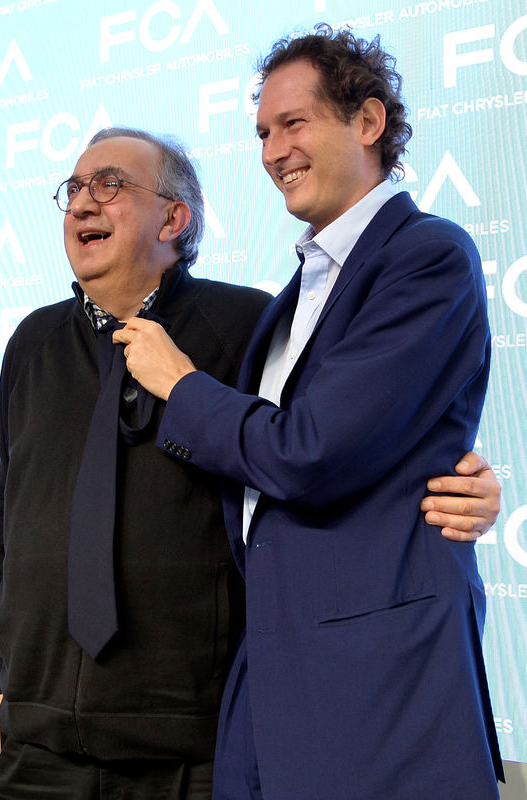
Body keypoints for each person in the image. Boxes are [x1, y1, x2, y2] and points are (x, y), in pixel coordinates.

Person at [113, 27, 505, 800]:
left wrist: (183, 384)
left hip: (375, 682)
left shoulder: (428, 254)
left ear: (368, 122)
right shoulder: (293, 296)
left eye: (294, 123)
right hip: (274, 675)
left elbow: (311, 451)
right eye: (262, 131)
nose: (272, 150)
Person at [0, 128, 270, 799]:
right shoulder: (32, 341)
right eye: (74, 189)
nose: (82, 204)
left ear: (174, 217)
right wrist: (2, 678)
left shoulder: (249, 326)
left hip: (193, 755)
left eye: (109, 185)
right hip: (37, 747)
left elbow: (311, 459)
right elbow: (5, 523)